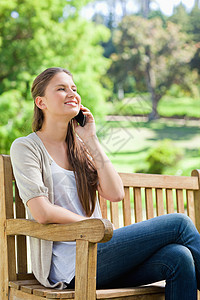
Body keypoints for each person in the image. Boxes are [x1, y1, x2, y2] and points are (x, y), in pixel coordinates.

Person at [10, 67, 200, 300]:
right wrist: (92, 227)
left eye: (74, 88)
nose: (72, 93)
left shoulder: (81, 150)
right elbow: (42, 211)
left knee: (179, 257)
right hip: (72, 265)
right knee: (179, 223)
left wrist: (91, 139)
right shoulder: (26, 147)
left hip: (100, 253)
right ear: (41, 102)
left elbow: (115, 193)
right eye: (61, 88)